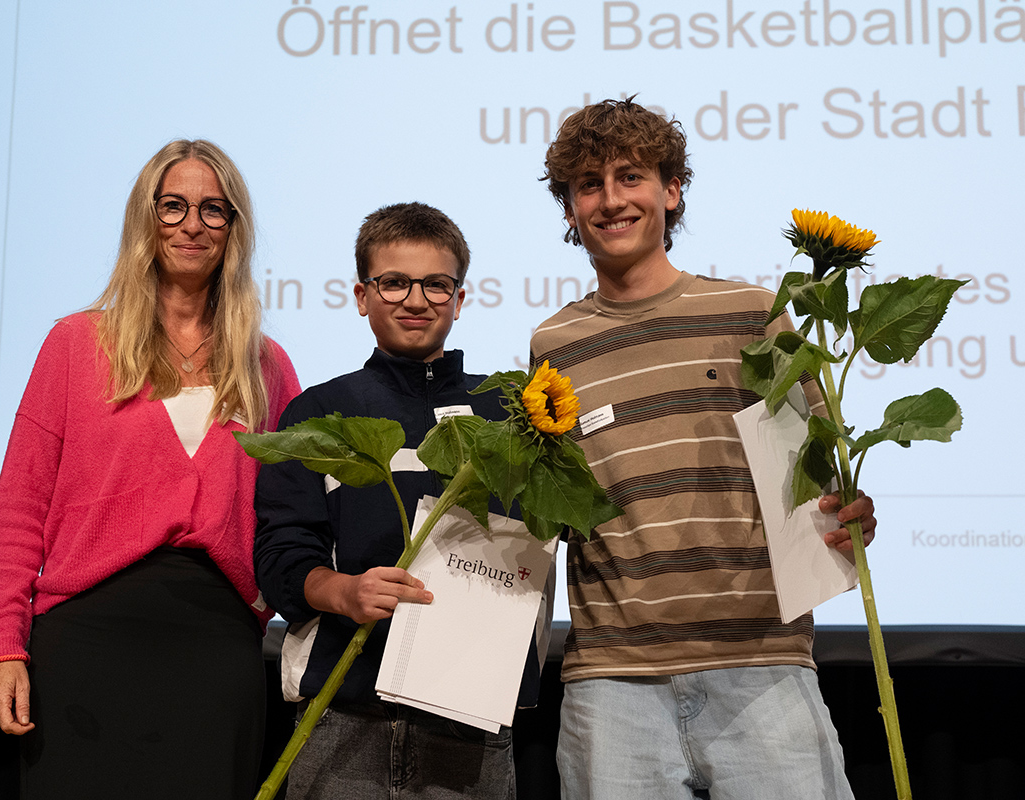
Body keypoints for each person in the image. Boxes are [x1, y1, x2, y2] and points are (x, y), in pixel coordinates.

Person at [530, 98, 876, 799]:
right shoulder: (551, 345)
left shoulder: (750, 312)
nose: (611, 199)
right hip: (611, 678)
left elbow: (820, 470)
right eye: (588, 185)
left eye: (630, 176)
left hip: (761, 662)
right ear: (569, 210)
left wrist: (852, 510)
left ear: (671, 190)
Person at [0, 139, 301, 798]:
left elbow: (291, 519)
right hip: (86, 647)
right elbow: (17, 512)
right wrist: (3, 647)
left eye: (214, 210)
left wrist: (264, 602)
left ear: (234, 229)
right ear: (145, 219)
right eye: (173, 206)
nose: (192, 224)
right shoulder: (75, 345)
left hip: (216, 653)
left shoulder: (267, 367)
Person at [254, 202, 549, 799]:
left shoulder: (512, 415)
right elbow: (281, 559)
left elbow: (536, 550)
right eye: (394, 282)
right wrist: (345, 591)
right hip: (341, 716)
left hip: (471, 723)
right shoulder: (317, 414)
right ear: (363, 295)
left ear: (460, 299)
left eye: (437, 284)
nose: (416, 300)